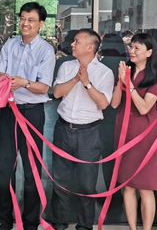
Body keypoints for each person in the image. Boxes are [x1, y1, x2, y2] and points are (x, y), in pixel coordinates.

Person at [0, 2, 55, 230]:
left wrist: (24, 83)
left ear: (41, 24)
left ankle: (30, 223)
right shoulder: (11, 44)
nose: (25, 23)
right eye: (23, 18)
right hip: (9, 112)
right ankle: (4, 220)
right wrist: (6, 78)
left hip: (32, 114)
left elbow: (43, 88)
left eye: (31, 20)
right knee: (4, 168)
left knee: (31, 169)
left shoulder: (46, 51)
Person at [50, 29, 114, 230]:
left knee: (87, 186)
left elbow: (103, 103)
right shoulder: (66, 66)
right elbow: (57, 93)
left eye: (77, 41)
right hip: (63, 129)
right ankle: (58, 225)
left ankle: (85, 227)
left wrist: (86, 83)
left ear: (90, 47)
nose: (72, 44)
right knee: (59, 182)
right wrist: (76, 79)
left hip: (89, 134)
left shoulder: (105, 72)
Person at [110, 32, 157, 230]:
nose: (131, 51)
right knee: (128, 185)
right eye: (131, 47)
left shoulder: (156, 76)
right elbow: (115, 103)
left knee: (145, 187)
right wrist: (121, 81)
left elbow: (144, 108)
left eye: (137, 48)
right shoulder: (126, 71)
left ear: (149, 52)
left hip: (145, 135)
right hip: (125, 132)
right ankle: (133, 228)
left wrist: (129, 85)